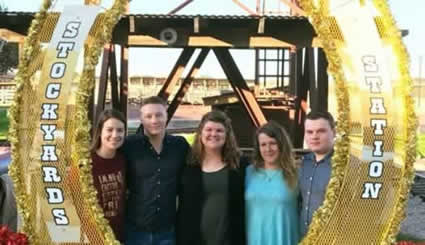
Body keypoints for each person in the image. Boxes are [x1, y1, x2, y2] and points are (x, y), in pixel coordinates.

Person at [123, 96, 190, 245]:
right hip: (135, 231)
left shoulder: (180, 145)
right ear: (141, 119)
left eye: (159, 115)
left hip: (167, 231)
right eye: (148, 116)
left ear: (166, 116)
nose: (154, 120)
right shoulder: (129, 146)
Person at [176, 110, 247, 245]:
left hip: (229, 239)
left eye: (219, 130)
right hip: (191, 238)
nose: (213, 134)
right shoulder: (187, 163)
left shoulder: (240, 164)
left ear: (227, 135)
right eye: (209, 129)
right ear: (200, 133)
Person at [245, 121, 299, 245]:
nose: (268, 149)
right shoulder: (248, 172)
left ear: (282, 144)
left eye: (273, 143)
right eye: (263, 144)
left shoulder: (296, 174)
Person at [90, 109, 127, 242]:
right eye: (109, 129)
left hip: (118, 234)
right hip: (92, 235)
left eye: (120, 130)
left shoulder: (123, 160)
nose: (115, 134)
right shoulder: (86, 162)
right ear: (100, 131)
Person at [298, 111, 335, 238]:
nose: (314, 136)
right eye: (309, 132)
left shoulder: (344, 166)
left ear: (333, 133)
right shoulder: (303, 164)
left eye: (321, 131)